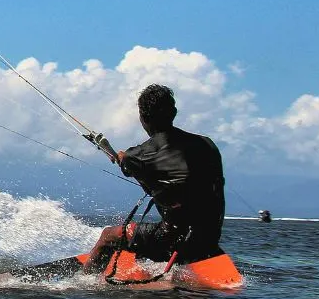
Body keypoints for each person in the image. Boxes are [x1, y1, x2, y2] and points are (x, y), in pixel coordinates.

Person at [84, 84, 225, 272]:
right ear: (174, 112)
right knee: (158, 230)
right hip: (209, 238)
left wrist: (120, 156)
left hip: (173, 242)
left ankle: (85, 282)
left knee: (108, 235)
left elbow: (128, 162)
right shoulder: (207, 145)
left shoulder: (139, 155)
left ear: (142, 118)